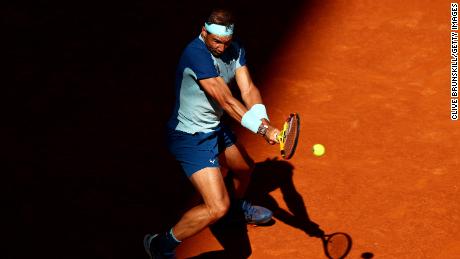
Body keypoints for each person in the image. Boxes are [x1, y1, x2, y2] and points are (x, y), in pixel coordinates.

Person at [144, 8, 280, 259]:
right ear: (204, 32)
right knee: (216, 206)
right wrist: (263, 130)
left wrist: (264, 119)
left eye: (225, 42)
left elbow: (248, 88)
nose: (221, 47)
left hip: (215, 129)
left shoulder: (235, 49)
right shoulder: (195, 54)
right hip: (190, 138)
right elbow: (227, 101)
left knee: (245, 169)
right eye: (216, 41)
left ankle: (234, 212)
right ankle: (160, 244)